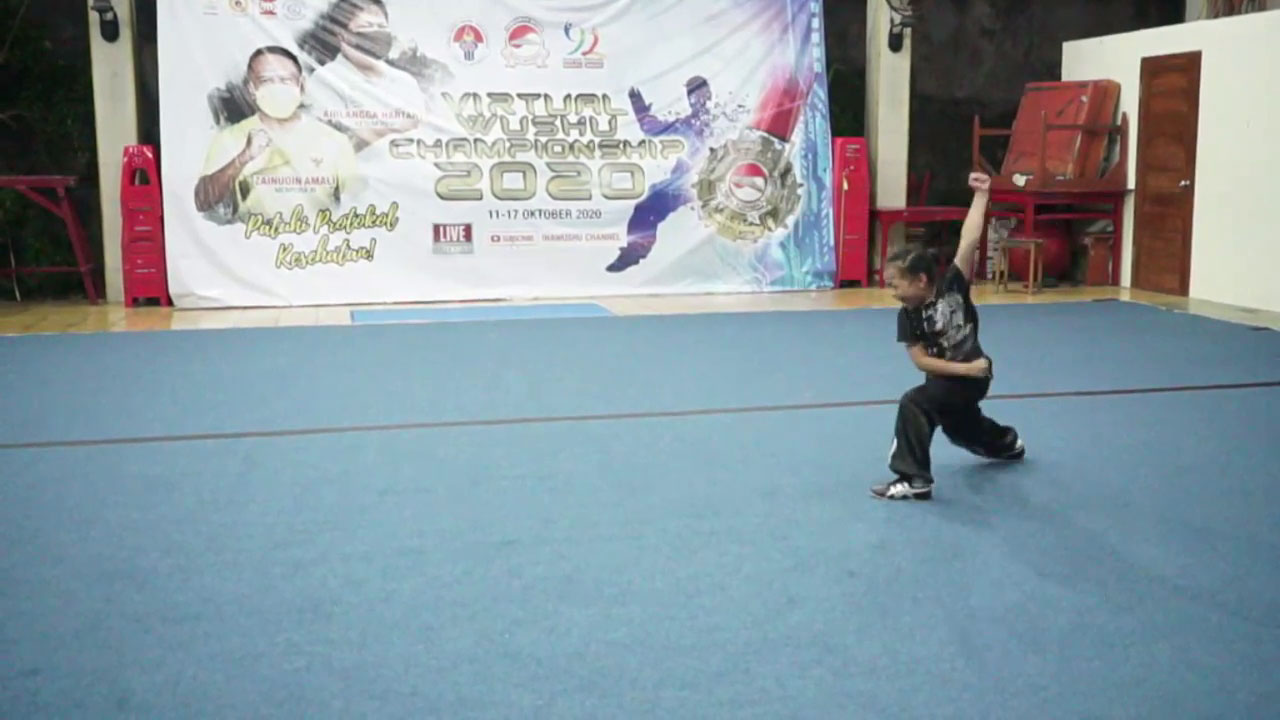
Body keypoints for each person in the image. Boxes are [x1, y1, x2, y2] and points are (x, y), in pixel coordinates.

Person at [870, 171, 1025, 501]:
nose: (892, 291)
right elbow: (921, 361)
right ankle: (1006, 443)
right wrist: (967, 369)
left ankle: (914, 479)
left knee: (915, 403)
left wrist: (982, 196)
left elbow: (969, 239)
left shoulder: (953, 285)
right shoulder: (907, 316)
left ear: (921, 280)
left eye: (896, 284)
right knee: (958, 424)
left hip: (973, 376)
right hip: (960, 374)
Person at [193, 45, 361, 225]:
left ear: (301, 85)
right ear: (251, 88)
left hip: (319, 240)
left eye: (285, 80)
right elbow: (203, 201)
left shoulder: (334, 140)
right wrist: (243, 158)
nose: (277, 87)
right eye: (266, 81)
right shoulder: (230, 138)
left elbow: (357, 203)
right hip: (254, 238)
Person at [605, 76, 714, 273]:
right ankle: (636, 249)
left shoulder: (702, 123)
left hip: (691, 186)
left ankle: (637, 249)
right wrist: (640, 108)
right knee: (648, 206)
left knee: (648, 207)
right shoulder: (693, 123)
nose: (694, 98)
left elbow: (651, 129)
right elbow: (652, 129)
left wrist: (639, 108)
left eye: (698, 93)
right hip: (689, 185)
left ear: (707, 95)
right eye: (691, 94)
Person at [303, 0, 427, 152]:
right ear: (342, 35)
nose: (376, 33)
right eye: (366, 27)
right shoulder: (326, 80)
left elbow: (426, 135)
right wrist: (391, 128)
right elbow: (326, 147)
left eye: (381, 27)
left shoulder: (405, 81)